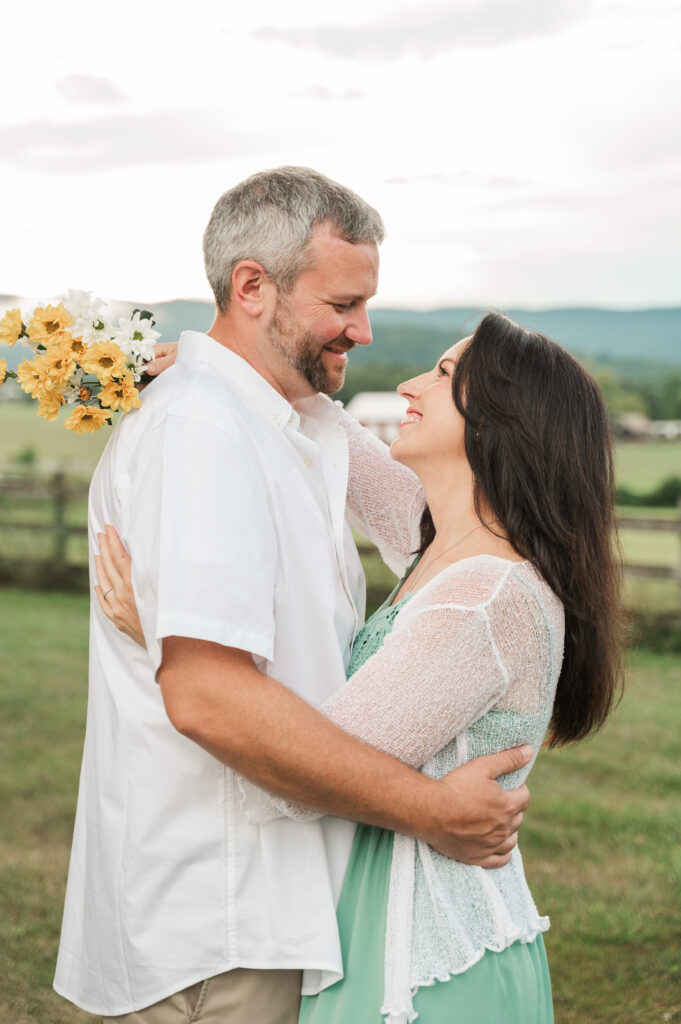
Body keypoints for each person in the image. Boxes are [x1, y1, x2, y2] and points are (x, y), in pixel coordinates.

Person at [55, 167, 532, 1024]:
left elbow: (429, 519)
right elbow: (209, 697)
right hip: (221, 915)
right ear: (252, 287)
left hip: (282, 912)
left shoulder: (290, 423)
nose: (365, 331)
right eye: (343, 303)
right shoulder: (203, 429)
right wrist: (432, 810)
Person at [97, 312, 623, 1023]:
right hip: (392, 937)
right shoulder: (442, 540)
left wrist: (173, 635)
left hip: (422, 967)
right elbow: (326, 427)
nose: (408, 384)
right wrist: (219, 362)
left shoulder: (481, 598)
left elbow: (305, 772)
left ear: (503, 420)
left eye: (442, 374)